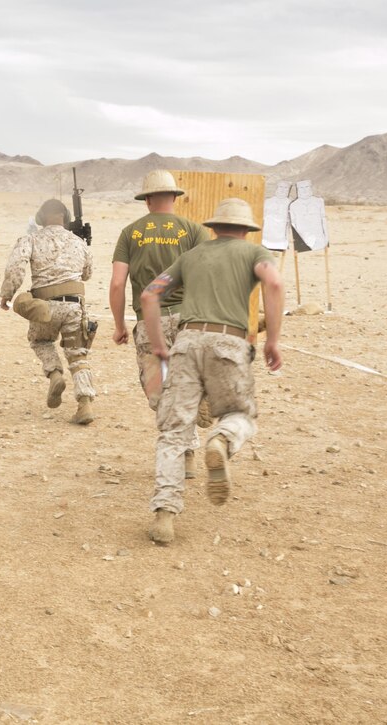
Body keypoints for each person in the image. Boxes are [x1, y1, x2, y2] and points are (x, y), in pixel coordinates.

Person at [139, 197, 284, 544]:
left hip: (187, 342)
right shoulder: (255, 254)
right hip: (228, 343)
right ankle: (221, 440)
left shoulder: (192, 256)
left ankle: (165, 514)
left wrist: (159, 344)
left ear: (214, 226)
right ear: (247, 230)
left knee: (174, 430)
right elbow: (274, 284)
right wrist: (272, 340)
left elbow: (149, 295)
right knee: (240, 415)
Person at [110, 170, 212, 471]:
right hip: (187, 319)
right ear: (174, 197)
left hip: (148, 322)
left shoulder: (130, 233)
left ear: (148, 200)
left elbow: (117, 284)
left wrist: (119, 326)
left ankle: (182, 450)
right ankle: (190, 445)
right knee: (187, 383)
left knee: (160, 393)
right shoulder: (194, 231)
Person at [0, 199, 96, 425]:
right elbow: (87, 273)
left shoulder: (30, 239)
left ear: (41, 219)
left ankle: (54, 374)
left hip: (45, 306)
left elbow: (16, 267)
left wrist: (7, 293)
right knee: (78, 354)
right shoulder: (78, 242)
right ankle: (85, 405)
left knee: (41, 341)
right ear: (67, 218)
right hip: (74, 306)